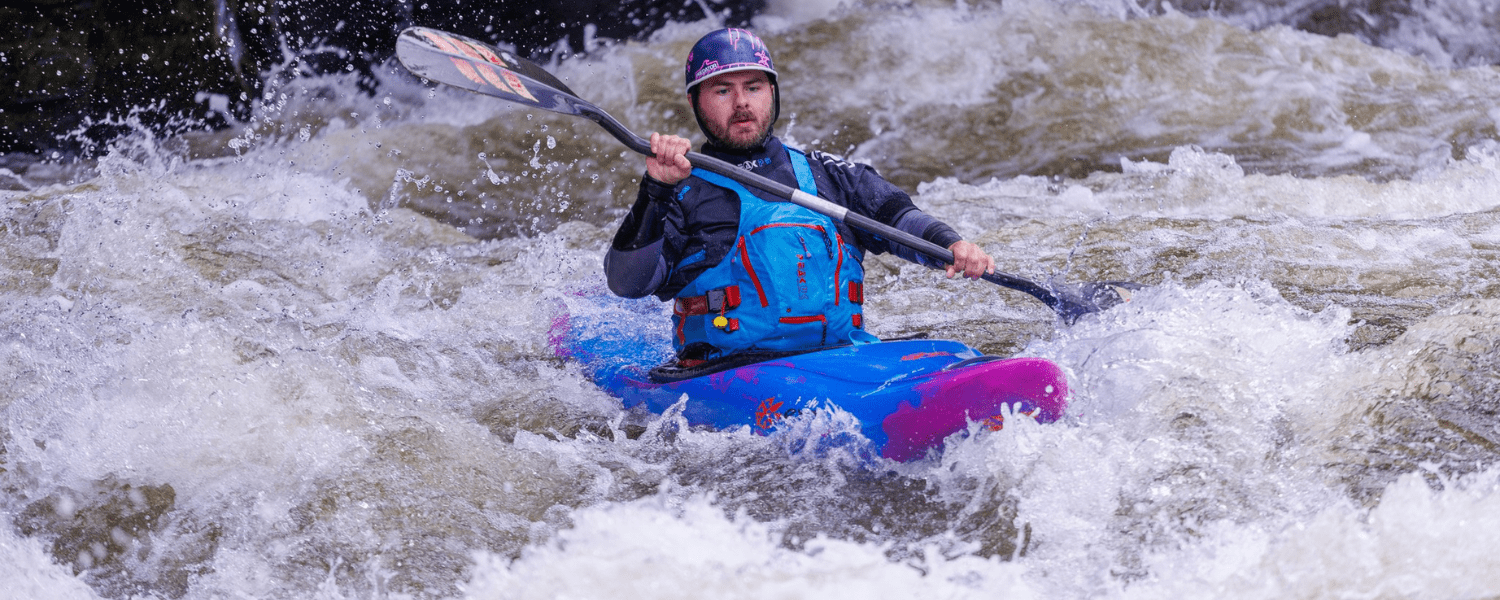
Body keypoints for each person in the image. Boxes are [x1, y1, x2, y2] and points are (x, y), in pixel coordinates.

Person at [605, 28, 996, 366]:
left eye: (753, 87)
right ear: (695, 103)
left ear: (772, 94)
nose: (741, 102)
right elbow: (628, 284)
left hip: (842, 358)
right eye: (723, 90)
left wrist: (952, 244)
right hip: (727, 373)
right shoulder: (684, 192)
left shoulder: (828, 175)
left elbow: (898, 218)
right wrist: (655, 189)